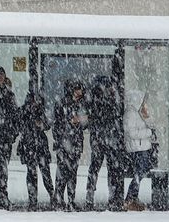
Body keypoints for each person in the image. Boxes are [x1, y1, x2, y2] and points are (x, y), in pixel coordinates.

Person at [86, 76, 124, 211]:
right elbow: (115, 116)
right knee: (110, 168)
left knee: (95, 167)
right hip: (107, 138)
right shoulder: (109, 100)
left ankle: (90, 196)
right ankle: (111, 197)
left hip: (99, 138)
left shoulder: (94, 100)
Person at [53, 80, 88, 211]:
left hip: (75, 143)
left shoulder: (81, 104)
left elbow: (85, 123)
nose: (80, 92)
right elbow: (57, 124)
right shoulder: (63, 104)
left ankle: (70, 200)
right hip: (65, 143)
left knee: (72, 173)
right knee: (63, 172)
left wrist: (82, 121)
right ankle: (59, 199)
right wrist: (71, 121)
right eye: (77, 89)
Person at [17, 93, 54, 211]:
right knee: (32, 173)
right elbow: (19, 124)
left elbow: (47, 125)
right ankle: (33, 199)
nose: (35, 104)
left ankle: (51, 196)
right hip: (29, 145)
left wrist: (41, 124)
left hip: (38, 145)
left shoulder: (40, 112)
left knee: (44, 172)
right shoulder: (24, 111)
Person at [0, 66, 18, 210]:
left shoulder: (9, 95)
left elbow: (14, 115)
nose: (0, 78)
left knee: (3, 169)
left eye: (2, 75)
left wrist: (12, 133)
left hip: (4, 137)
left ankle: (3, 196)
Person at [123, 90, 156, 211]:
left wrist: (147, 117)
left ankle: (132, 198)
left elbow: (152, 125)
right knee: (139, 173)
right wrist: (148, 133)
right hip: (137, 148)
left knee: (140, 173)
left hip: (143, 147)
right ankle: (130, 199)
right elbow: (131, 133)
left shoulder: (140, 112)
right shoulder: (131, 113)